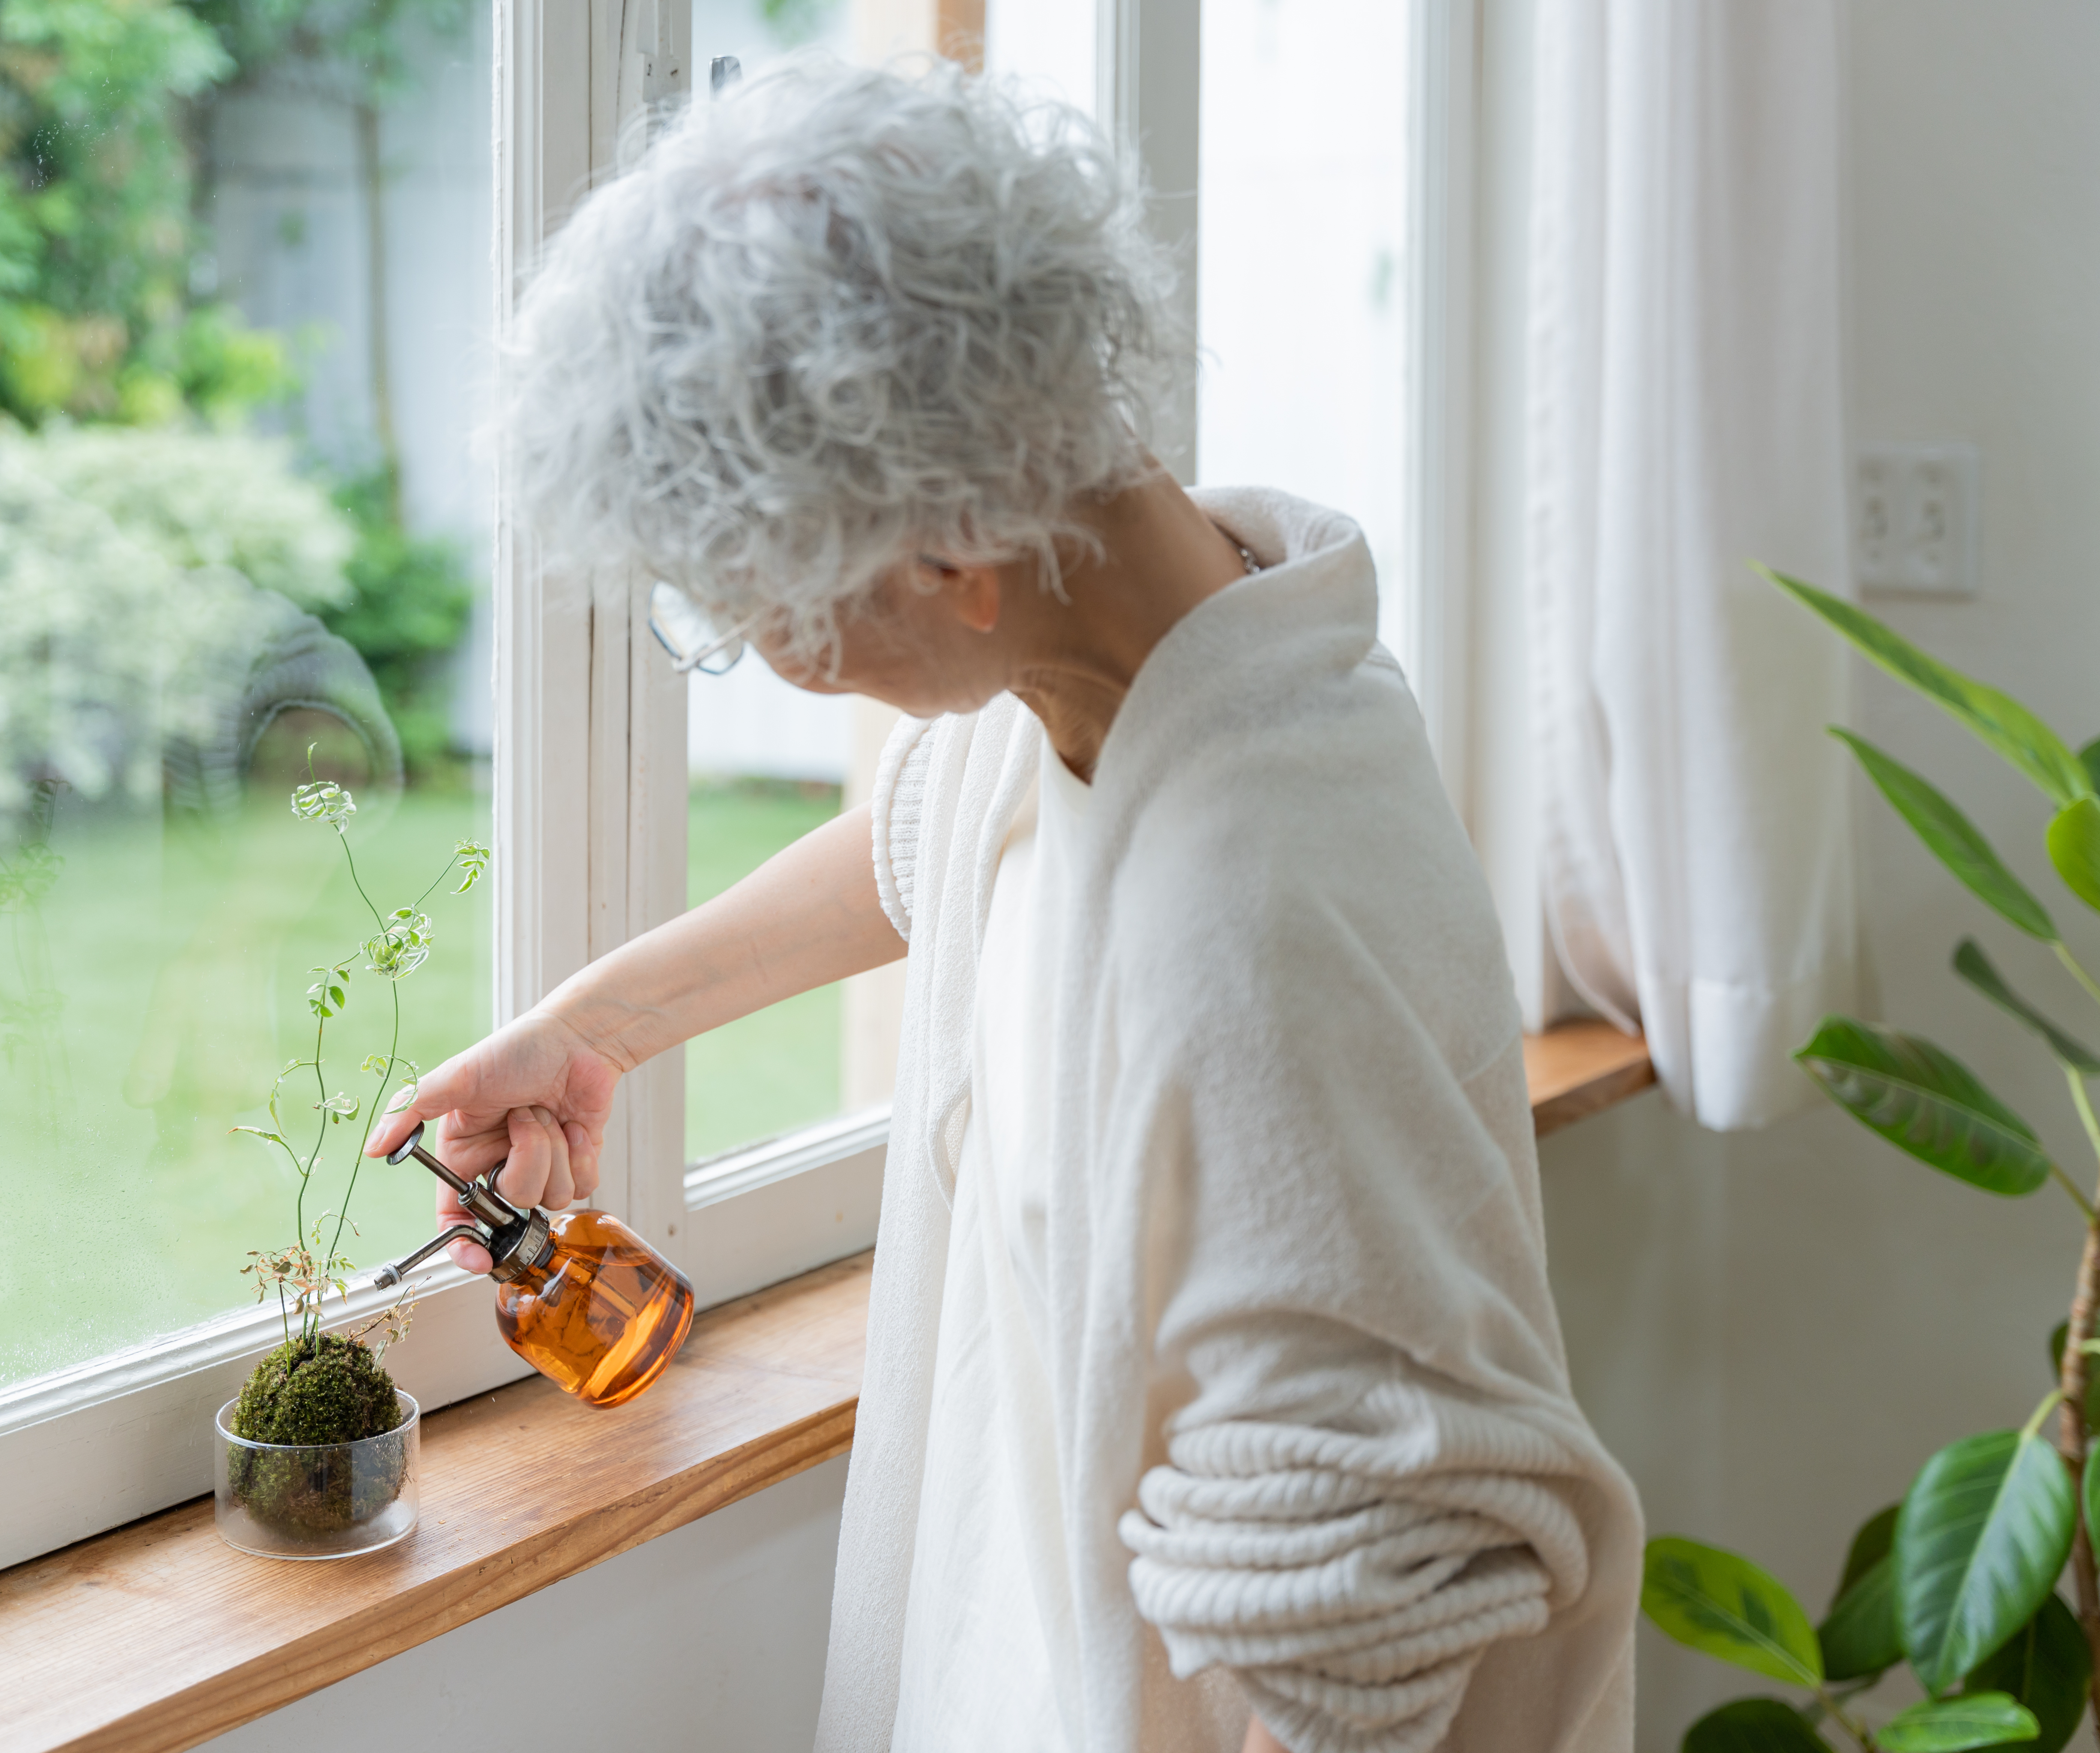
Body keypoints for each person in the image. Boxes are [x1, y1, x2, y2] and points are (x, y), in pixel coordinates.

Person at [365, 55, 1640, 1753]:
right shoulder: (1127, 660)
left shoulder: (1258, 924)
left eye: (765, 609)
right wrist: (597, 1025)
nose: (781, 664)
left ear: (953, 544)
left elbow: (1368, 1608)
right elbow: (935, 848)